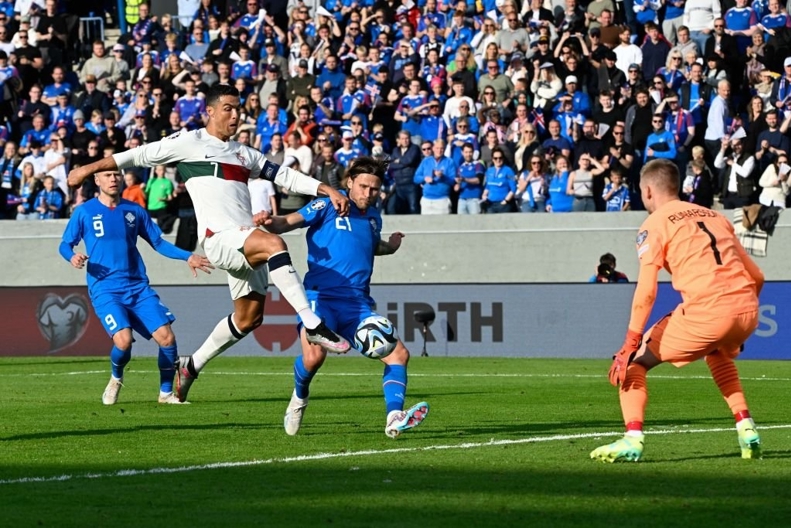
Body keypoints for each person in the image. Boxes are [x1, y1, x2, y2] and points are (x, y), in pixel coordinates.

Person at [67, 84, 352, 403]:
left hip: (245, 240)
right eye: (228, 108)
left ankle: (191, 365)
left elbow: (285, 176)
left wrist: (325, 190)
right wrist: (87, 168)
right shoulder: (190, 141)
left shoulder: (245, 153)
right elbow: (138, 155)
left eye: (239, 108)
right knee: (275, 244)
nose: (235, 114)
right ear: (211, 111)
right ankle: (312, 323)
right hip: (220, 239)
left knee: (248, 319)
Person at [591, 159, 765, 463]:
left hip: (708, 312)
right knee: (718, 353)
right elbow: (758, 277)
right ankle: (746, 427)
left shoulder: (654, 224)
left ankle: (632, 437)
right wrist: (739, 320)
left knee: (633, 364)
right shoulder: (716, 217)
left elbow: (646, 292)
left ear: (647, 191)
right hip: (748, 308)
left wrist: (629, 344)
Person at [252, 157, 429, 439]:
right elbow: (287, 222)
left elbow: (371, 247)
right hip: (319, 297)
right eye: (363, 187)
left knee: (399, 354)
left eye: (374, 189)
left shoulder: (373, 217)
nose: (368, 193)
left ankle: (394, 416)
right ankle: (299, 399)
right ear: (350, 183)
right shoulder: (328, 205)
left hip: (357, 304)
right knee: (314, 357)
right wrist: (268, 221)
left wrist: (390, 247)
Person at [58, 169, 213, 405]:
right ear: (97, 180)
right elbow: (65, 244)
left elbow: (158, 242)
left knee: (167, 339)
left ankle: (165, 393)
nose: (113, 179)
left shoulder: (134, 210)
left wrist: (187, 257)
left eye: (116, 175)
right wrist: (71, 257)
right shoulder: (85, 211)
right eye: (107, 175)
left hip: (137, 287)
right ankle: (115, 379)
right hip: (105, 288)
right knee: (123, 341)